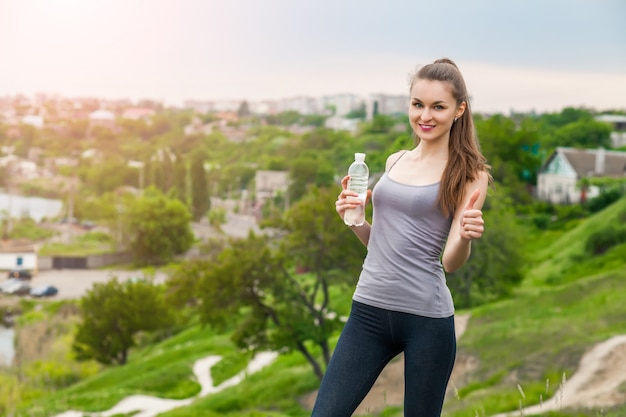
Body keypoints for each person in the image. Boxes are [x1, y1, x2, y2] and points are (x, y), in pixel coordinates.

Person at [311, 58, 492, 417]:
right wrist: (356, 221)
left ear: (459, 110)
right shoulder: (395, 161)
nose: (425, 115)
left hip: (426, 320)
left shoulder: (470, 174)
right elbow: (383, 245)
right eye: (417, 104)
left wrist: (466, 236)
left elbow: (449, 262)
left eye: (438, 106)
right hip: (368, 312)